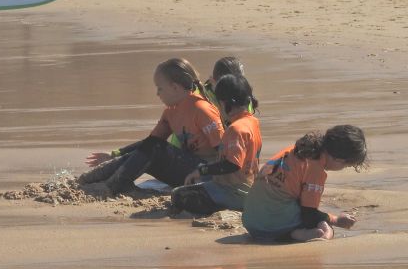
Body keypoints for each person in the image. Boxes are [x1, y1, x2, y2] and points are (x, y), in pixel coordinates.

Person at [80, 58, 224, 196]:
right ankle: (90, 179)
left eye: (160, 88)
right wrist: (115, 155)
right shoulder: (170, 112)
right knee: (148, 150)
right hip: (186, 172)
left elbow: (225, 151)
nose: (157, 94)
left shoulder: (202, 109)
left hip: (206, 175)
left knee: (156, 148)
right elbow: (148, 144)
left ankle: (115, 184)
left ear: (175, 87)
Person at [242, 125, 367, 242]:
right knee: (325, 227)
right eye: (346, 166)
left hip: (250, 221)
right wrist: (336, 220)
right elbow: (309, 215)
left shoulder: (296, 150)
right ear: (339, 159)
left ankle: (293, 232)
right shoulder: (316, 170)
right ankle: (295, 234)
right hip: (270, 226)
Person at [170, 74, 262, 216]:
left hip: (233, 191)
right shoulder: (253, 122)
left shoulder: (236, 129)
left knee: (177, 195)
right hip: (248, 187)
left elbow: (232, 164)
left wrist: (201, 171)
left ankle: (221, 207)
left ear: (226, 104)